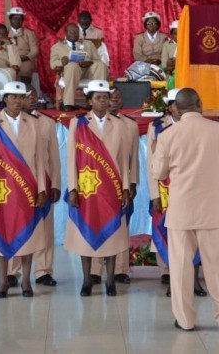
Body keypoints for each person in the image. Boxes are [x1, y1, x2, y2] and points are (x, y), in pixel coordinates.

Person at [151, 88, 219, 332]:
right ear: (200, 104)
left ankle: (185, 321)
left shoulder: (167, 134)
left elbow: (158, 173)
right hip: (210, 210)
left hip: (180, 211)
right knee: (217, 267)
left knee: (179, 269)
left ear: (176, 109)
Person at [0, 81, 47, 298]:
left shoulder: (33, 122)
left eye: (21, 97)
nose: (18, 101)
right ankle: (3, 280)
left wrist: (42, 189)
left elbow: (39, 161)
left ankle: (26, 281)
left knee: (29, 235)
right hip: (2, 189)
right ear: (5, 99)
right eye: (13, 97)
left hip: (28, 188)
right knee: (1, 233)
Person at [64, 79, 131, 297]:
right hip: (88, 188)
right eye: (99, 98)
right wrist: (72, 188)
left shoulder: (119, 124)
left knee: (112, 234)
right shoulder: (79, 123)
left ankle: (110, 280)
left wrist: (126, 187)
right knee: (85, 233)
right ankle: (87, 280)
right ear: (90, 101)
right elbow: (72, 158)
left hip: (112, 187)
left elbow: (123, 160)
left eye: (106, 97)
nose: (104, 101)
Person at [146, 89, 207, 297]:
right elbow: (151, 165)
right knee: (171, 236)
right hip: (165, 190)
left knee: (195, 235)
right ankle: (174, 280)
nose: (176, 107)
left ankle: (195, 281)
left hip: (194, 188)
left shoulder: (200, 125)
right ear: (170, 106)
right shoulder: (156, 128)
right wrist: (155, 194)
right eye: (173, 104)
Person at [7, 88, 61, 288]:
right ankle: (12, 272)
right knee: (14, 227)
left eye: (32, 97)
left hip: (42, 183)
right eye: (24, 97)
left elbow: (53, 157)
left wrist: (55, 184)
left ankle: (43, 270)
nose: (29, 101)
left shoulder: (46, 123)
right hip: (15, 184)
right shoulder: (6, 122)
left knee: (44, 229)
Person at [90, 87, 139, 285]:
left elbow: (133, 157)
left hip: (121, 182)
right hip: (97, 182)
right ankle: (95, 269)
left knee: (121, 225)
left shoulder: (130, 125)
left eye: (118, 97)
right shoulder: (92, 123)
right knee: (95, 223)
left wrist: (132, 182)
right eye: (111, 97)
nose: (114, 101)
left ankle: (121, 269)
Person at [50, 23, 109, 112]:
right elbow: (53, 64)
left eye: (76, 31)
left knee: (101, 65)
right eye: (71, 31)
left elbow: (97, 60)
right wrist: (62, 62)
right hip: (71, 73)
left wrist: (89, 62)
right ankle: (68, 103)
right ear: (65, 33)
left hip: (88, 71)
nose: (74, 33)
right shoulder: (57, 47)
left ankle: (97, 100)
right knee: (72, 65)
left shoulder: (88, 44)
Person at [7, 7, 39, 83]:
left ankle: (25, 90)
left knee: (26, 68)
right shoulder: (5, 32)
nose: (17, 21)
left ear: (22, 20)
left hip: (25, 59)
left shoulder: (29, 33)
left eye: (19, 19)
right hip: (9, 59)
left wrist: (26, 57)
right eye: (15, 18)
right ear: (10, 20)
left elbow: (35, 50)